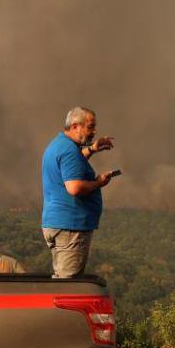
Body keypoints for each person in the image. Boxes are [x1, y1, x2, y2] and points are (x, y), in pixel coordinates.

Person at [41, 107, 118, 278]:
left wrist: (92, 149)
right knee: (68, 284)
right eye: (90, 127)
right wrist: (99, 182)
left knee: (63, 278)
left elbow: (72, 165)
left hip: (58, 224)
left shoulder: (59, 145)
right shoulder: (69, 150)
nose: (94, 131)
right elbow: (74, 188)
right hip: (70, 227)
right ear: (75, 126)